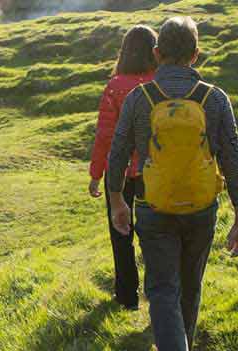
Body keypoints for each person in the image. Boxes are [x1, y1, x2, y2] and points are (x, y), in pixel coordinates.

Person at [104, 16, 238, 351]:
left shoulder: (139, 98)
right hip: (202, 209)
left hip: (153, 207)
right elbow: (232, 159)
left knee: (163, 290)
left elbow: (117, 155)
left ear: (157, 54)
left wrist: (118, 201)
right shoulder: (215, 98)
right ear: (196, 53)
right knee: (189, 287)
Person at [90, 25, 160, 311]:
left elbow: (105, 134)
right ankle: (160, 294)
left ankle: (127, 296)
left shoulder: (115, 86)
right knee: (156, 235)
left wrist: (96, 175)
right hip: (155, 171)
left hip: (119, 174)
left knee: (121, 234)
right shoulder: (161, 83)